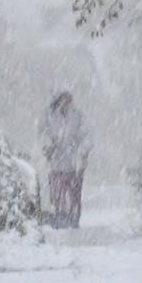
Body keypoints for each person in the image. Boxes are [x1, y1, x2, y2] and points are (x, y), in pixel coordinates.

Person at [38, 91, 93, 227]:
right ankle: (59, 216)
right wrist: (49, 144)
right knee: (57, 192)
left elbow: (87, 135)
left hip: (74, 163)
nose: (66, 102)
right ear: (57, 100)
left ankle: (73, 217)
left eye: (68, 99)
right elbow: (42, 134)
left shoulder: (77, 116)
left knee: (74, 192)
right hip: (55, 163)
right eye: (63, 99)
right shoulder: (49, 116)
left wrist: (82, 150)